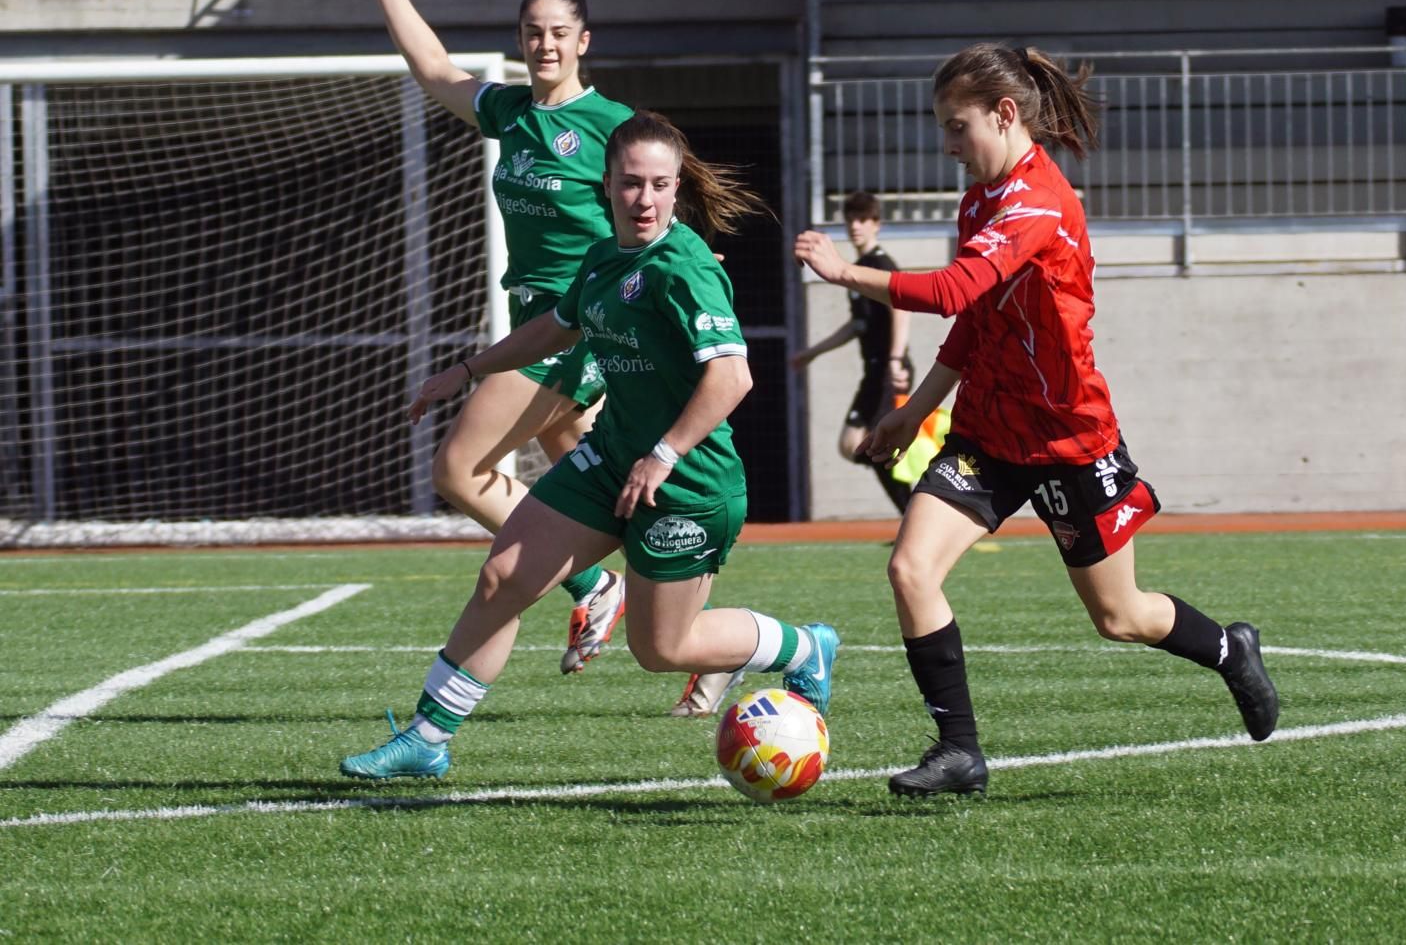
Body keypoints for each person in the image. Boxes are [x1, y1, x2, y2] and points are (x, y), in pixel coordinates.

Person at [793, 43, 1279, 797]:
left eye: (958, 128)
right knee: (909, 567)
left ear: (1005, 113)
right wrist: (910, 413)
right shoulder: (981, 198)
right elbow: (975, 327)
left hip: (1065, 438)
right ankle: (959, 751)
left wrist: (844, 271)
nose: (948, 145)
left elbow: (953, 291)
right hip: (988, 431)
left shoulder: (1036, 204)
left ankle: (1228, 647)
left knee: (1119, 616)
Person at [341, 111, 839, 780]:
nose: (646, 199)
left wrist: (662, 454)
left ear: (676, 187)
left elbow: (732, 375)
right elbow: (556, 327)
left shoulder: (683, 265)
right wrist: (467, 369)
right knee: (503, 576)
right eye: (632, 183)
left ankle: (806, 645)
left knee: (664, 648)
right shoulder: (605, 257)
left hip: (686, 481)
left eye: (661, 184)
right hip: (609, 459)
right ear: (605, 184)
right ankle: (429, 737)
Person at [355, 0, 737, 710]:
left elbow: (661, 192)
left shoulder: (609, 126)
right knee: (625, 484)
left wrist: (696, 263)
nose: (545, 43)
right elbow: (434, 70)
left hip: (576, 331)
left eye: (559, 31)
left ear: (583, 41)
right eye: (533, 30)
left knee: (460, 468)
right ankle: (707, 645)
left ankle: (596, 589)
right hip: (535, 321)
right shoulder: (514, 115)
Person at [790, 191, 916, 513]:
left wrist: (895, 359)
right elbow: (856, 325)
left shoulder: (879, 264)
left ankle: (915, 513)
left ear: (877, 224)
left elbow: (902, 308)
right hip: (874, 370)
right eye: (850, 220)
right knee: (856, 446)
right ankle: (913, 507)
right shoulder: (859, 266)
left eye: (863, 220)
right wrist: (814, 352)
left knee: (873, 445)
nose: (855, 226)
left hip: (888, 370)